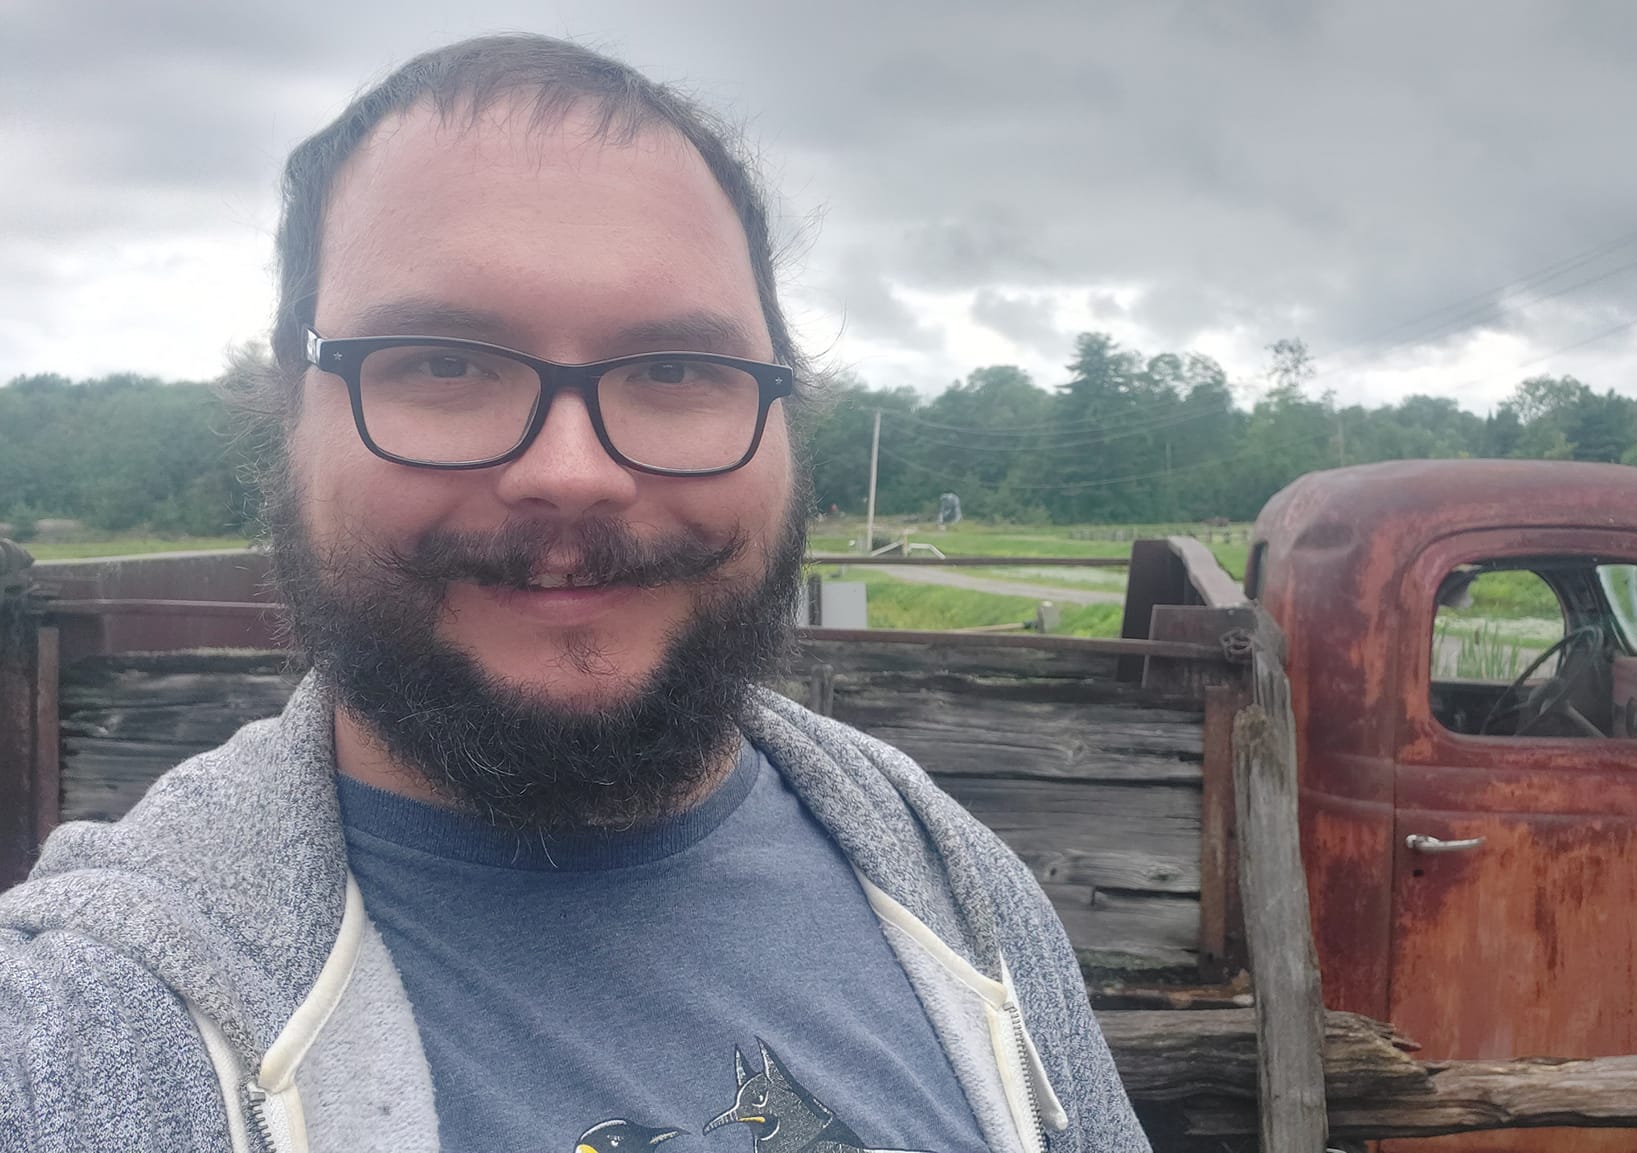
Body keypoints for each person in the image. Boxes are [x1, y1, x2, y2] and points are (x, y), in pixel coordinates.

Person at [0, 35, 1147, 1152]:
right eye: (442, 363)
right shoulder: (84, 1026)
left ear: (789, 419)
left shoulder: (959, 893)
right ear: (287, 418)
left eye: (674, 370)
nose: (571, 473)